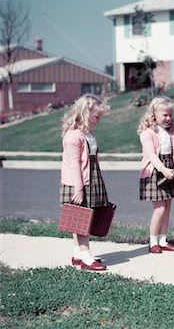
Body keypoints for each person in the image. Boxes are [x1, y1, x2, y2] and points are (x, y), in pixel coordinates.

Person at [60, 94, 110, 271]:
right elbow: (74, 163)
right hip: (78, 182)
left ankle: (77, 253)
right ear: (85, 113)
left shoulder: (88, 134)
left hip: (91, 178)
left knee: (81, 218)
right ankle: (86, 257)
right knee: (82, 219)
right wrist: (79, 188)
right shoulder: (73, 136)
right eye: (96, 116)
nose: (98, 120)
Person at [138, 96, 174, 253]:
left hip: (170, 168)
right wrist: (163, 170)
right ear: (154, 114)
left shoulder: (171, 132)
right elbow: (152, 156)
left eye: (170, 115)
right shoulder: (147, 133)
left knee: (167, 206)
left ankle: (163, 240)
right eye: (165, 115)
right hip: (155, 171)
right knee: (160, 208)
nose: (168, 118)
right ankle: (153, 241)